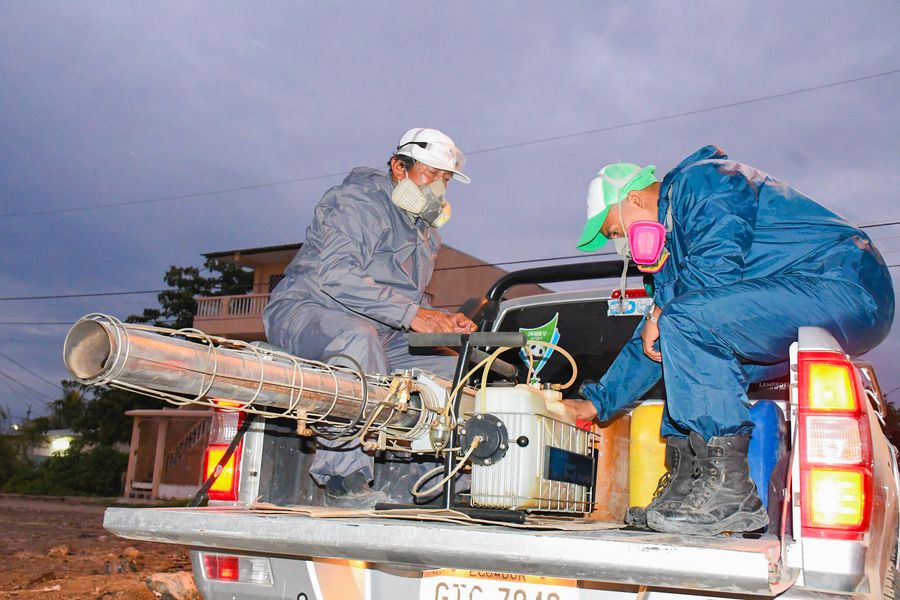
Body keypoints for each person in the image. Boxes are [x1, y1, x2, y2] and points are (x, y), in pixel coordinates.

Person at [562, 145, 894, 536]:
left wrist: (661, 311)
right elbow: (656, 343)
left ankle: (730, 491)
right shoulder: (675, 252)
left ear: (634, 199)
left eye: (615, 231)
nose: (621, 246)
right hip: (806, 298)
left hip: (844, 282)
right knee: (683, 349)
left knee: (684, 321)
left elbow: (714, 269)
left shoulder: (703, 181)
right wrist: (597, 402)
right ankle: (688, 479)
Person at [263, 127, 477, 507]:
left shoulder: (427, 234)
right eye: (430, 174)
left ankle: (435, 476)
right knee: (357, 339)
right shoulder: (359, 201)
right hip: (307, 310)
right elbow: (336, 275)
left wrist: (441, 319)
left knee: (453, 371)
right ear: (399, 167)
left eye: (444, 179)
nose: (438, 188)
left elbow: (401, 301)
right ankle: (342, 478)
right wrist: (412, 314)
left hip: (379, 331)